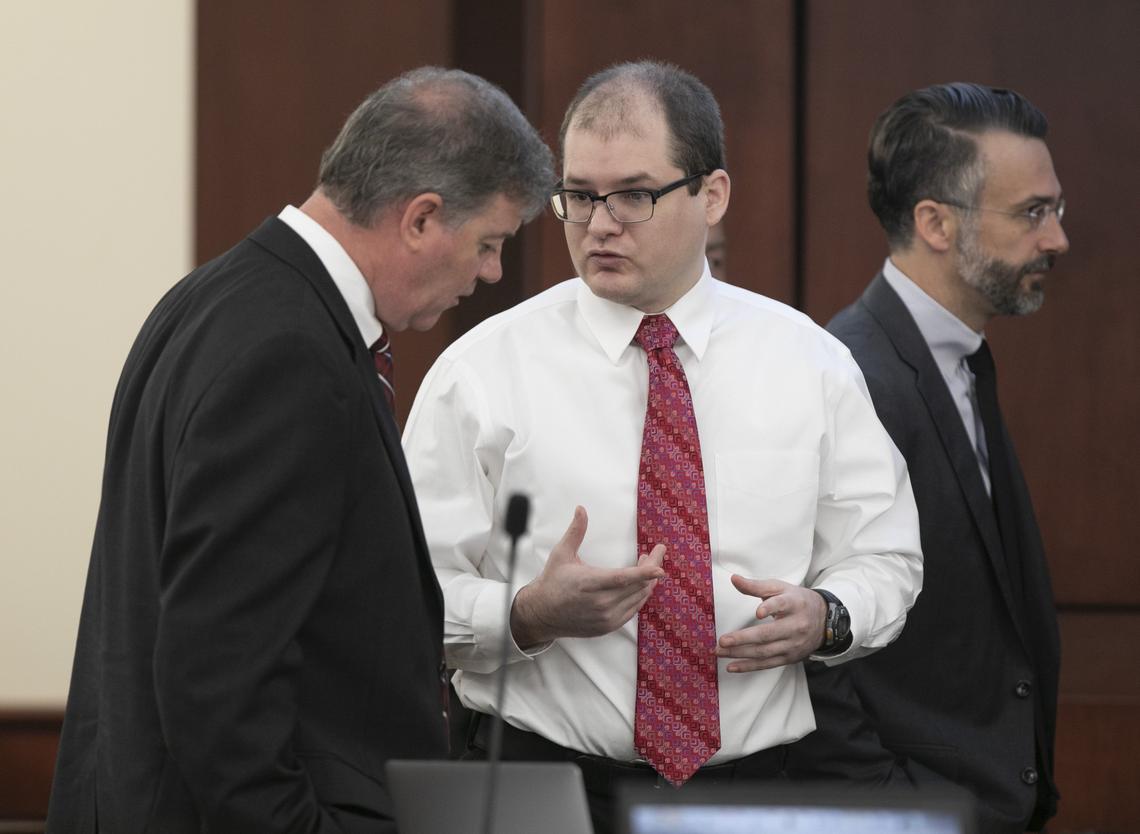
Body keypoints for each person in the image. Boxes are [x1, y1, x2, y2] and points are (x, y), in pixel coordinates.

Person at [402, 60, 923, 834]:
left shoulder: (806, 362)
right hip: (541, 781)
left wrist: (830, 616)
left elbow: (887, 557)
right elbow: (407, 593)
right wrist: (526, 614)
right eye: (579, 196)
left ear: (710, 196)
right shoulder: (481, 372)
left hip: (755, 789)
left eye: (635, 195)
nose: (601, 224)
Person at [46, 67, 553, 834]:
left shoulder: (213, 297)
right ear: (421, 218)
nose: (491, 273)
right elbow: (218, 671)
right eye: (489, 242)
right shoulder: (290, 354)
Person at [826, 82, 1067, 833]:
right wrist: (902, 809)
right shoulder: (850, 375)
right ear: (934, 222)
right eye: (1033, 213)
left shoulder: (964, 357)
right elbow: (806, 643)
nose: (1057, 239)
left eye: (1056, 210)